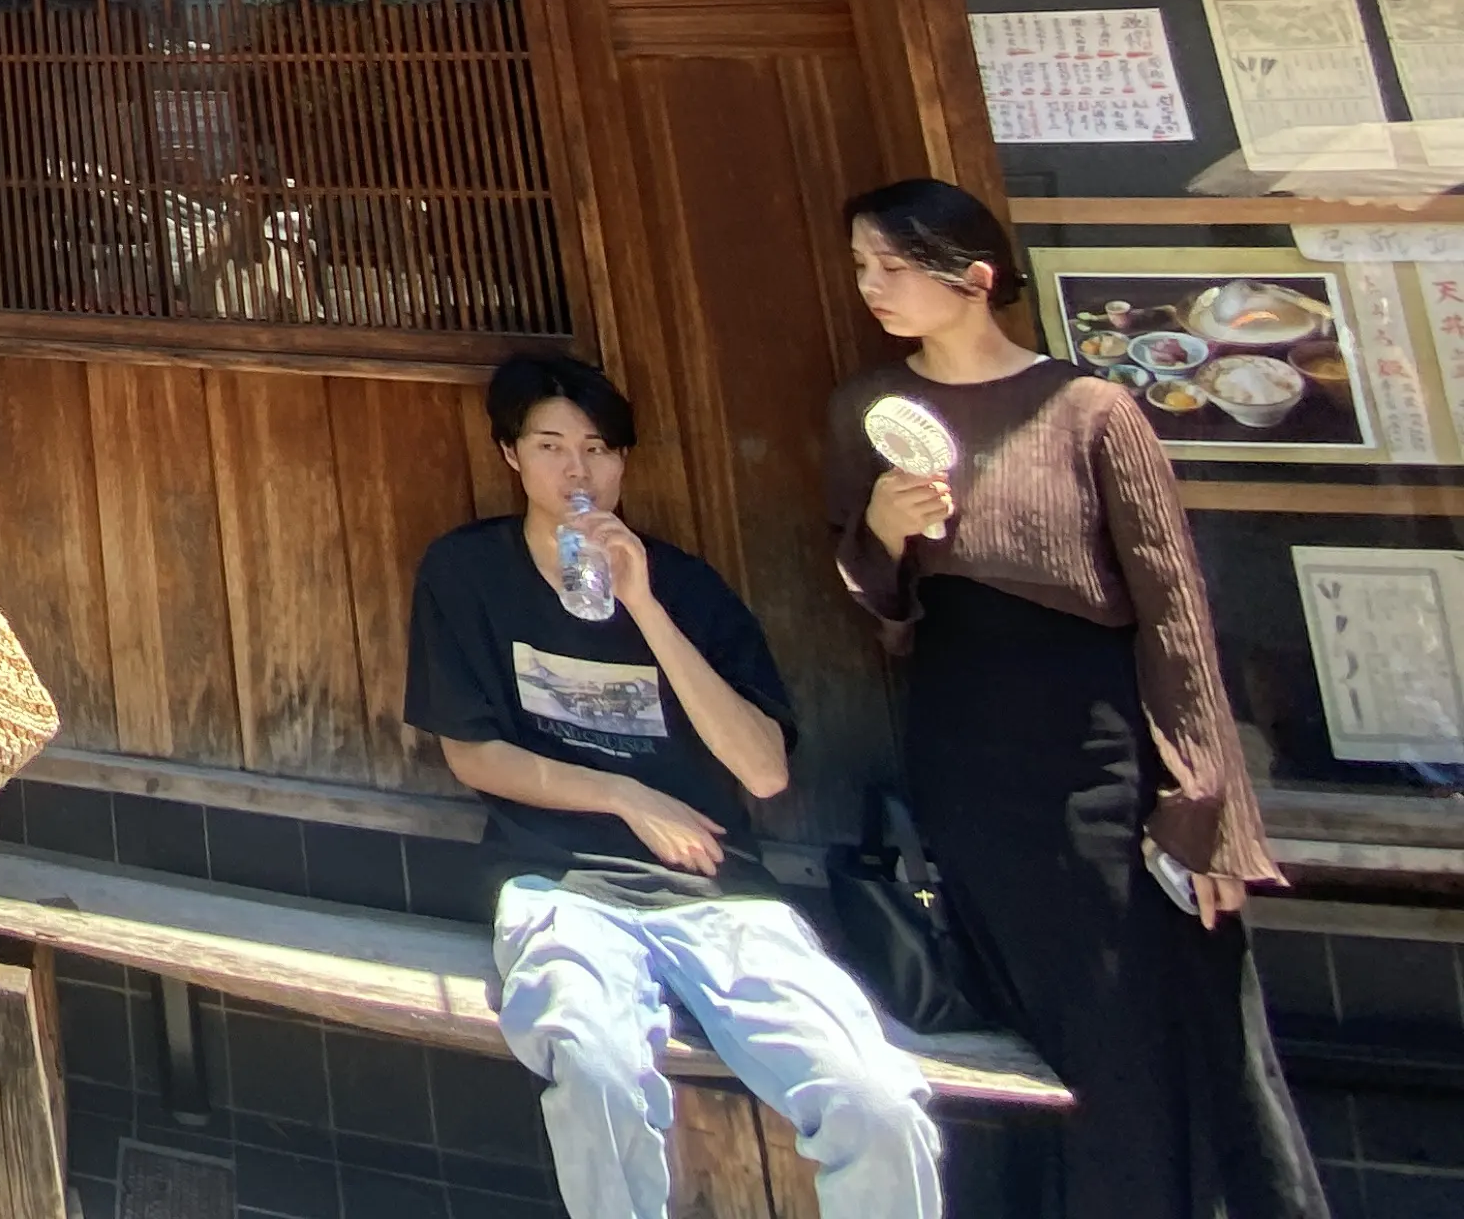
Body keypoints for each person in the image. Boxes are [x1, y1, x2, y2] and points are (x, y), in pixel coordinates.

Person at [827, 177, 1327, 1219]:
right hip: (964, 737)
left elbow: (1174, 613)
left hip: (1096, 737)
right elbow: (879, 610)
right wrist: (880, 529)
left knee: (1147, 1014)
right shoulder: (874, 410)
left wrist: (1206, 810)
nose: (870, 285)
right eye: (862, 265)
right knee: (1027, 1029)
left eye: (891, 265)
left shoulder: (1089, 409)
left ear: (971, 278)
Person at [408, 351, 938, 1219]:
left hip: (720, 897)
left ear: (622, 460)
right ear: (511, 455)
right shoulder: (469, 574)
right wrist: (626, 795)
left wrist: (645, 605)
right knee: (597, 1067)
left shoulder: (685, 585)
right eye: (549, 446)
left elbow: (763, 771)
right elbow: (472, 755)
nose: (576, 470)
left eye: (599, 449)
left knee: (876, 1101)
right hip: (561, 885)